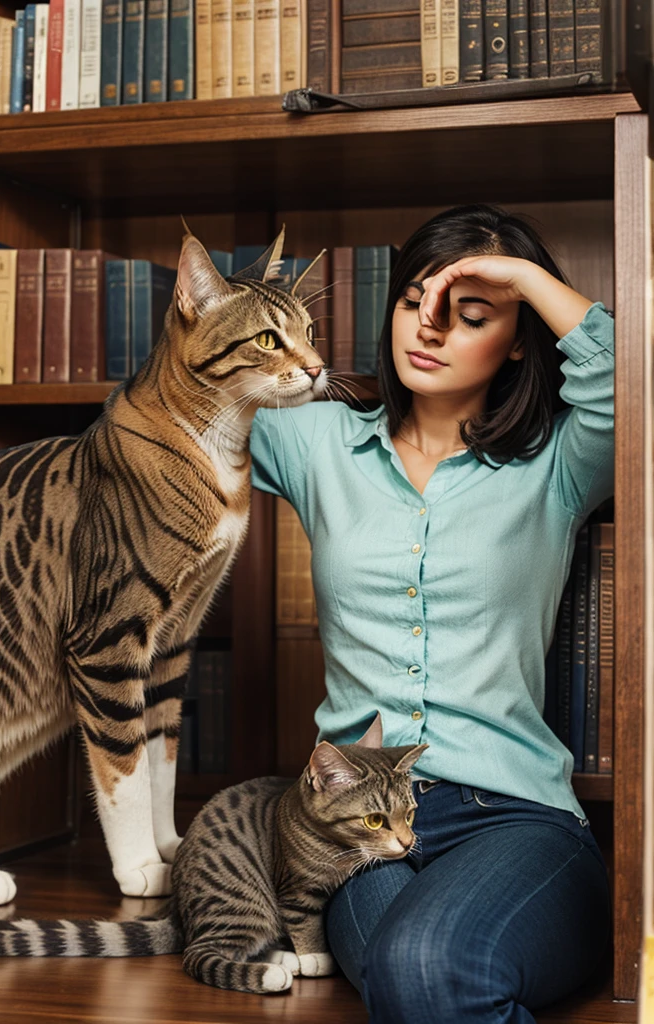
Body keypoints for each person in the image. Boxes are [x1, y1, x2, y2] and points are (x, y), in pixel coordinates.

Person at [248, 203, 613, 1023]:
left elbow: (632, 380)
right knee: (416, 975)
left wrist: (521, 277)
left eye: (471, 314)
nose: (430, 327)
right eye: (414, 300)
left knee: (421, 968)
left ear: (517, 340)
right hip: (351, 830)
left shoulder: (558, 462)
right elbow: (167, 414)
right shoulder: (314, 440)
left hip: (512, 818)